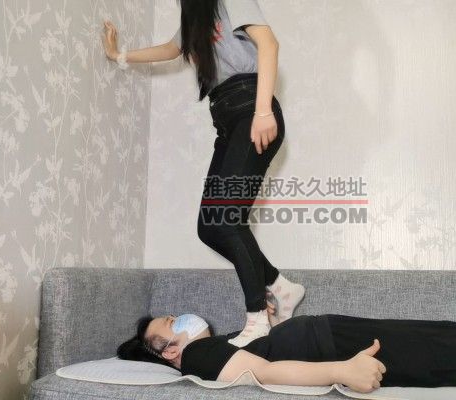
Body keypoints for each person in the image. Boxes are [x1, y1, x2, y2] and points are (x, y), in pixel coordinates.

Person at [102, 0, 305, 347]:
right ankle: (280, 286)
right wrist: (119, 55)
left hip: (251, 108)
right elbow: (170, 48)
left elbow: (269, 44)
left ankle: (258, 318)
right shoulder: (196, 14)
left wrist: (263, 111)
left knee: (227, 221)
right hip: (226, 120)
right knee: (210, 226)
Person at [116, 307, 456, 393]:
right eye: (173, 324)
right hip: (340, 348)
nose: (184, 319)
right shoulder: (199, 357)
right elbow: (263, 374)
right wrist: (341, 370)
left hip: (341, 331)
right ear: (169, 351)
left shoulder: (218, 341)